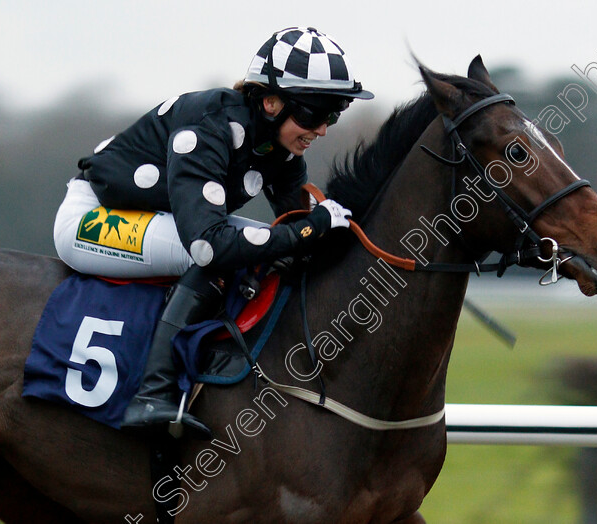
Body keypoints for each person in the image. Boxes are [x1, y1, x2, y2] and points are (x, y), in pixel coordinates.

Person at [53, 27, 373, 438]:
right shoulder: (208, 126)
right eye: (313, 114)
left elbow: (297, 228)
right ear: (270, 102)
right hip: (92, 218)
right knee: (214, 253)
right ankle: (153, 393)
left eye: (333, 114)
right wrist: (310, 230)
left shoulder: (280, 146)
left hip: (155, 218)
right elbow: (208, 245)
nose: (323, 129)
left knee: (265, 241)